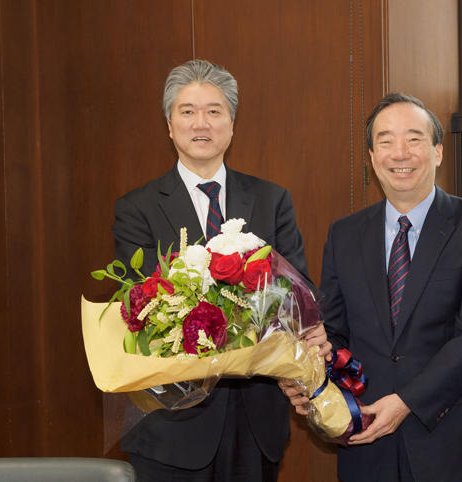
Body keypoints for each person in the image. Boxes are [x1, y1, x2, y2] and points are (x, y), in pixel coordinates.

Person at [112, 59, 328, 481]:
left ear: (231, 124)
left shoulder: (272, 200)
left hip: (256, 420)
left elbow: (298, 296)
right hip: (171, 425)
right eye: (187, 111)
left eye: (214, 111)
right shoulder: (136, 208)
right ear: (169, 125)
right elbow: (143, 306)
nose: (201, 123)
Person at [281, 93, 462, 481]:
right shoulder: (344, 234)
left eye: (414, 139)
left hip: (454, 441)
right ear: (373, 158)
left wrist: (407, 401)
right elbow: (335, 332)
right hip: (368, 440)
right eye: (386, 141)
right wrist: (310, 375)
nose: (400, 153)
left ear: (438, 152)